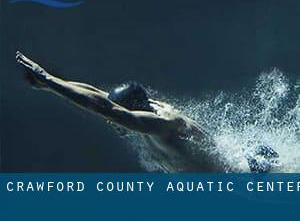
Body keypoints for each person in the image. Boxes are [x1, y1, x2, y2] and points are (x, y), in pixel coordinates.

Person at [15, 51, 278, 172]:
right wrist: (51, 84)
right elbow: (99, 96)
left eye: (115, 117)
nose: (110, 122)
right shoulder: (146, 110)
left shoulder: (162, 125)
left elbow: (106, 108)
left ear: (132, 111)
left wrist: (48, 80)